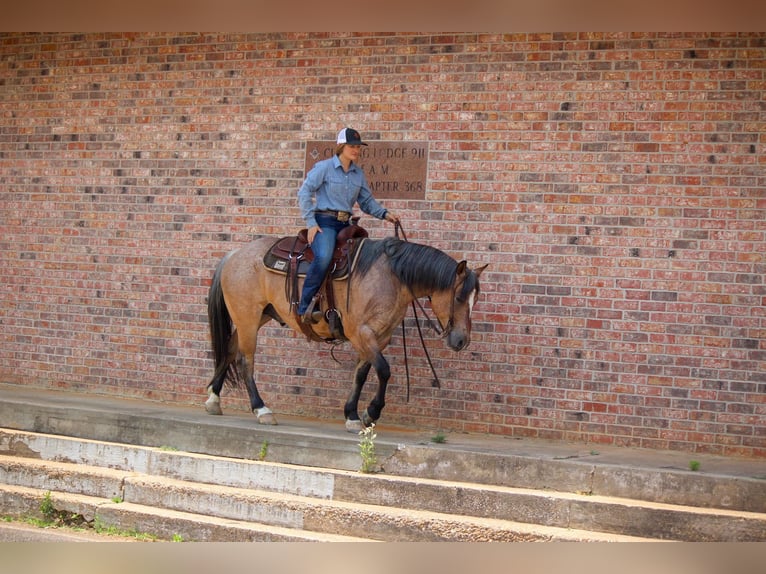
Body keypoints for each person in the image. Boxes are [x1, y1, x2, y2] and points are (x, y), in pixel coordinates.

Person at [297, 127, 400, 324]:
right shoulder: (324, 168)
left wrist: (386, 215)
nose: (356, 150)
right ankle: (305, 305)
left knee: (365, 259)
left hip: (346, 225)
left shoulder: (357, 174)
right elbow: (304, 192)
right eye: (352, 146)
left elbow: (367, 202)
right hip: (325, 223)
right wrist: (310, 223)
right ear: (341, 146)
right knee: (324, 256)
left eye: (358, 147)